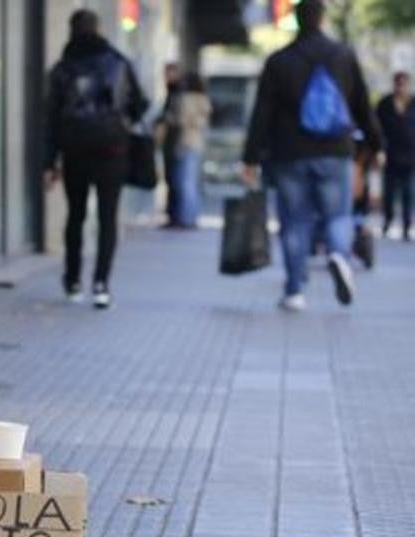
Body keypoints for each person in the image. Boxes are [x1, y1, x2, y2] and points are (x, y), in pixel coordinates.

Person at [242, 0, 381, 312]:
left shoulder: (279, 61)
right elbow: (361, 104)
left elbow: (262, 112)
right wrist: (376, 144)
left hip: (289, 153)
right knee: (338, 215)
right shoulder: (343, 55)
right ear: (322, 19)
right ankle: (337, 253)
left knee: (294, 222)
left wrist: (250, 157)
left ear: (297, 20)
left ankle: (294, 291)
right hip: (335, 151)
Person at [45, 9, 149, 309]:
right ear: (98, 29)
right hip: (111, 151)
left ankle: (73, 279)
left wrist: (48, 163)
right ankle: (101, 284)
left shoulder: (62, 69)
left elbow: (50, 120)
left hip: (75, 152)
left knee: (75, 215)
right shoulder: (118, 63)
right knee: (107, 218)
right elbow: (139, 105)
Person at [168, 72, 212, 229]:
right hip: (197, 143)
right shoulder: (204, 99)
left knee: (184, 183)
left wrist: (171, 119)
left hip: (185, 143)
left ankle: (185, 218)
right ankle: (191, 216)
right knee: (191, 182)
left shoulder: (185, 99)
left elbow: (181, 120)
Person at [376, 71, 415, 241]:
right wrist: (379, 150)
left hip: (411, 155)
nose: (401, 87)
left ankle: (407, 226)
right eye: (398, 84)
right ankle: (388, 220)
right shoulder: (384, 104)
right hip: (390, 154)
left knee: (409, 192)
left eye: (403, 84)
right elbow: (377, 129)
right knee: (389, 193)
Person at [158, 62, 184, 228]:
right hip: (170, 141)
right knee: (170, 179)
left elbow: (176, 118)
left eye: (170, 73)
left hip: (176, 141)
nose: (167, 77)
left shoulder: (178, 92)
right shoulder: (171, 91)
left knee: (175, 180)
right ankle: (172, 215)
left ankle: (176, 216)